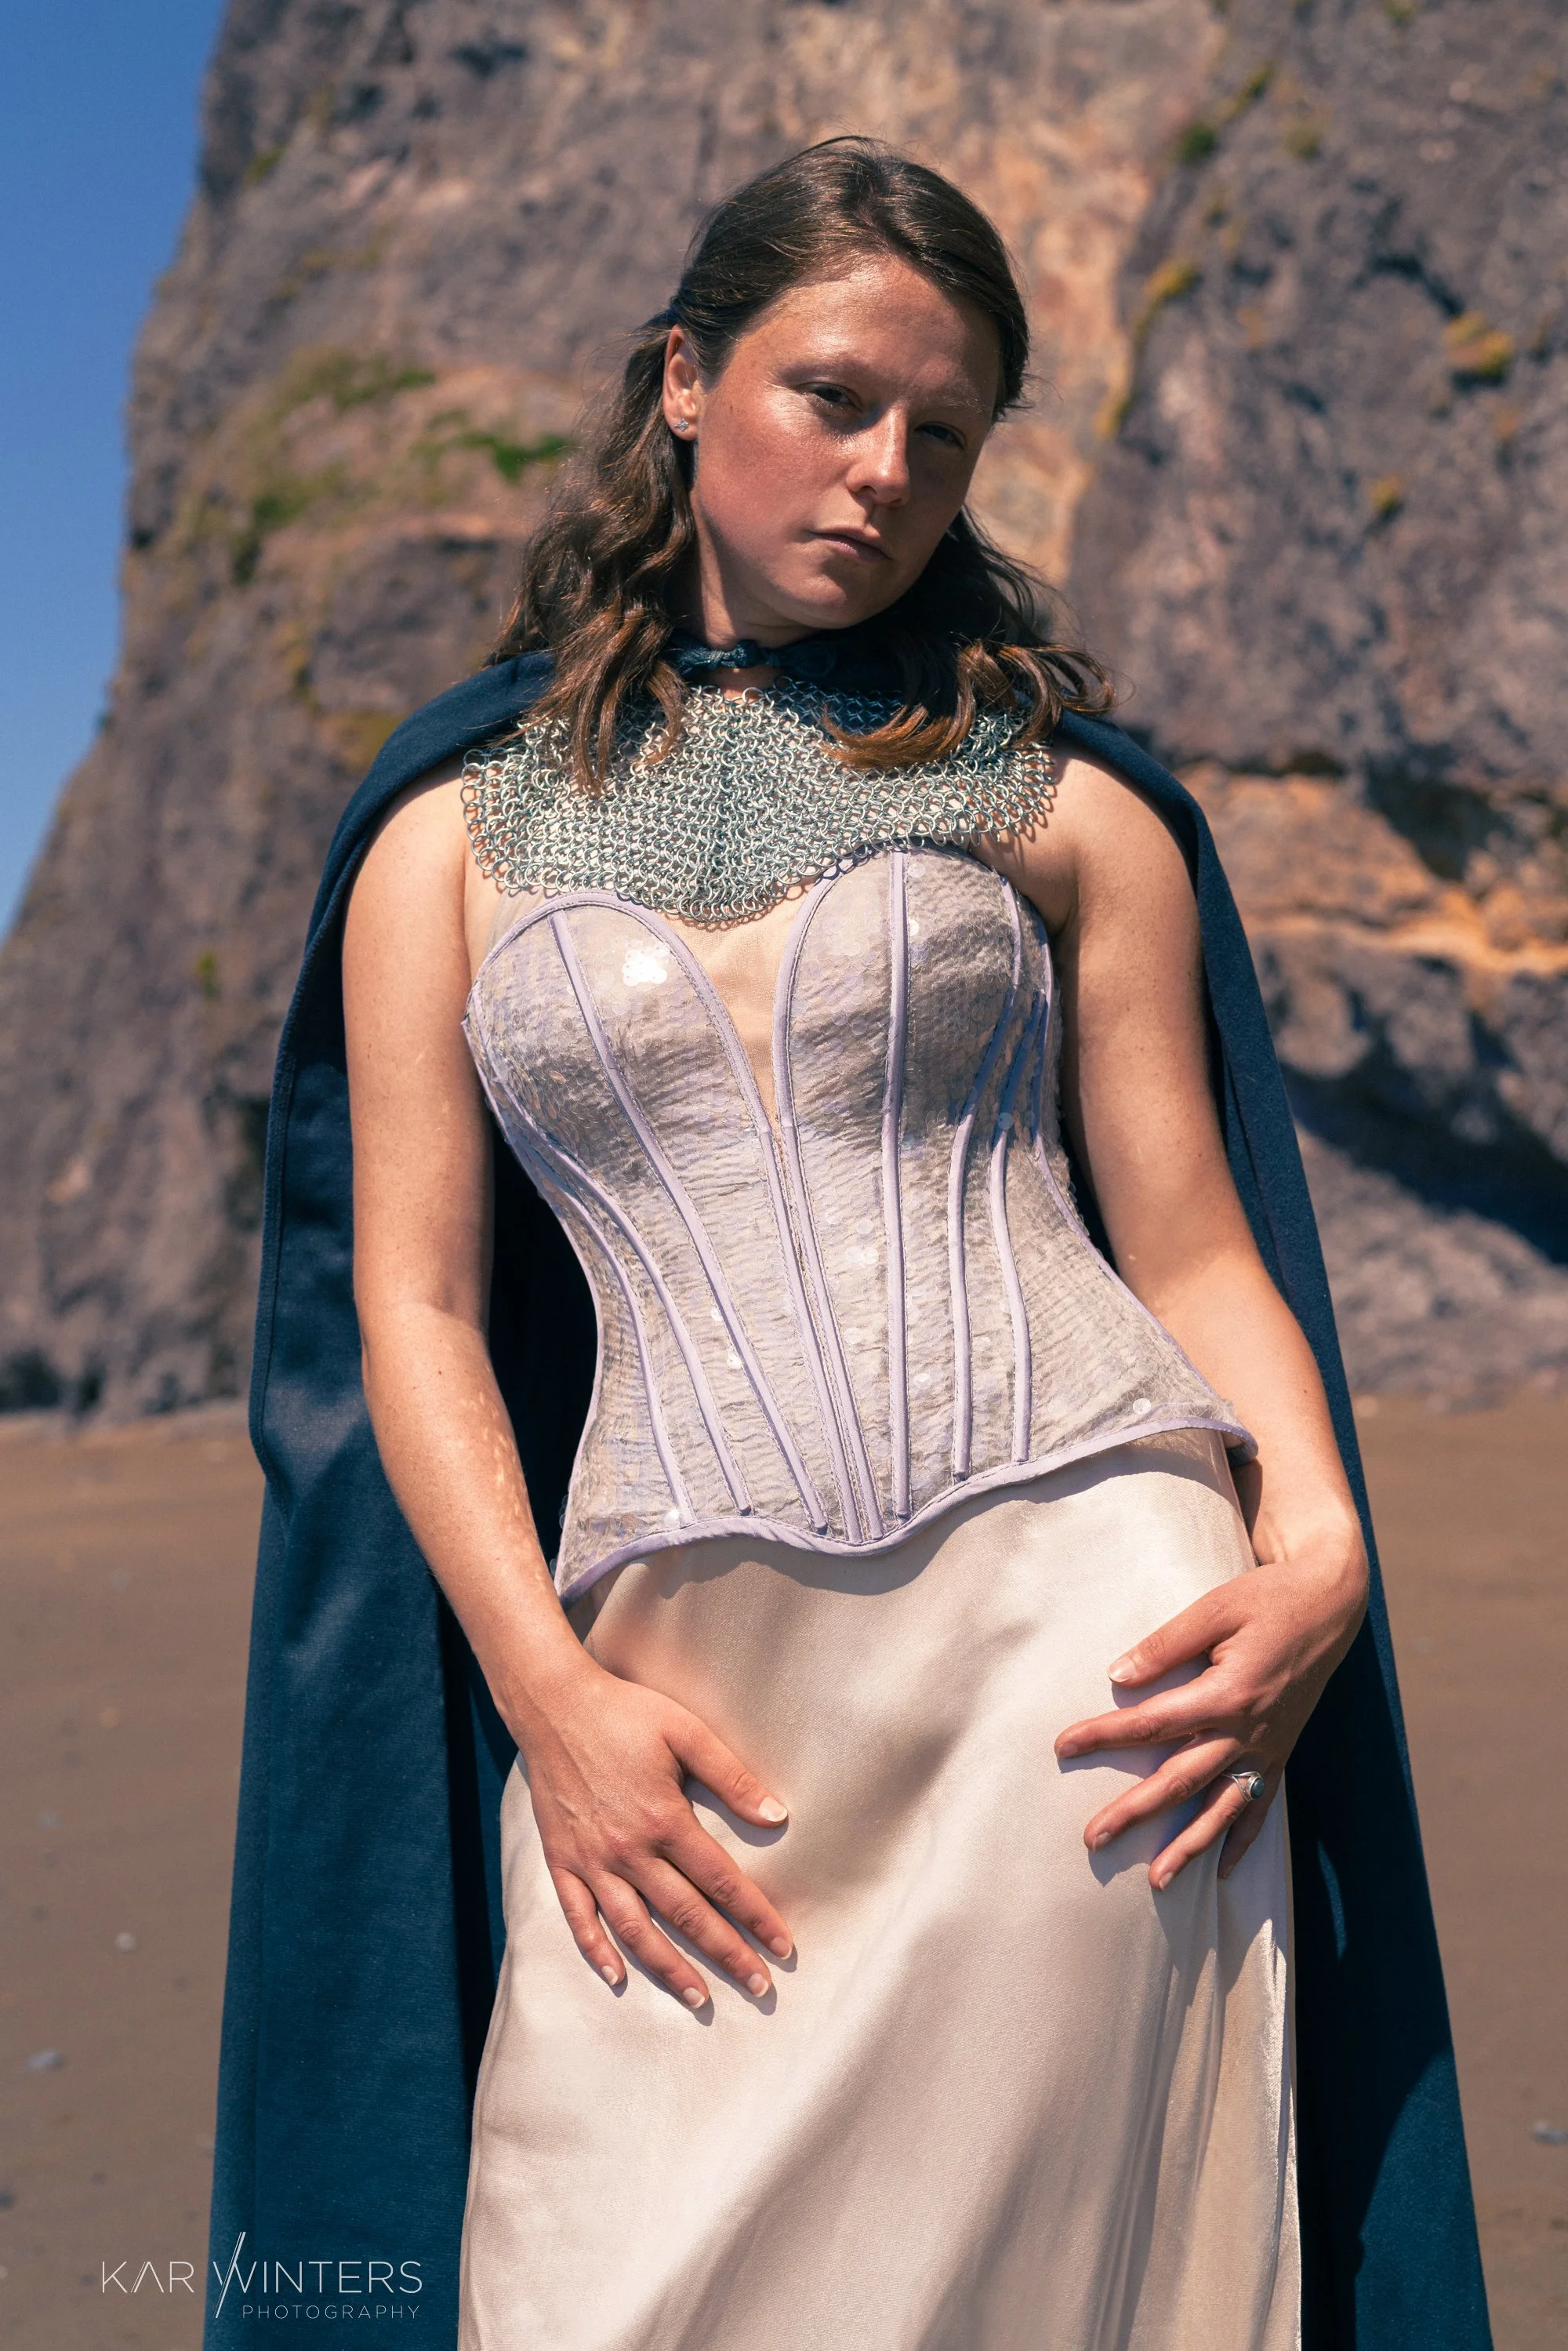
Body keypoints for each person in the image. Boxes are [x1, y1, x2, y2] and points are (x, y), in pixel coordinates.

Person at [205, 142, 1490, 2351]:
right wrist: (549, 1696)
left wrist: (1321, 1544)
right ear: (688, 380)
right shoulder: (445, 834)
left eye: (945, 431)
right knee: (598, 2278)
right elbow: (407, 1309)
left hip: (1088, 1674)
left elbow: (1187, 1242)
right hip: (675, 1705)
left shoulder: (1062, 806)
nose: (884, 468)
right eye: (832, 394)